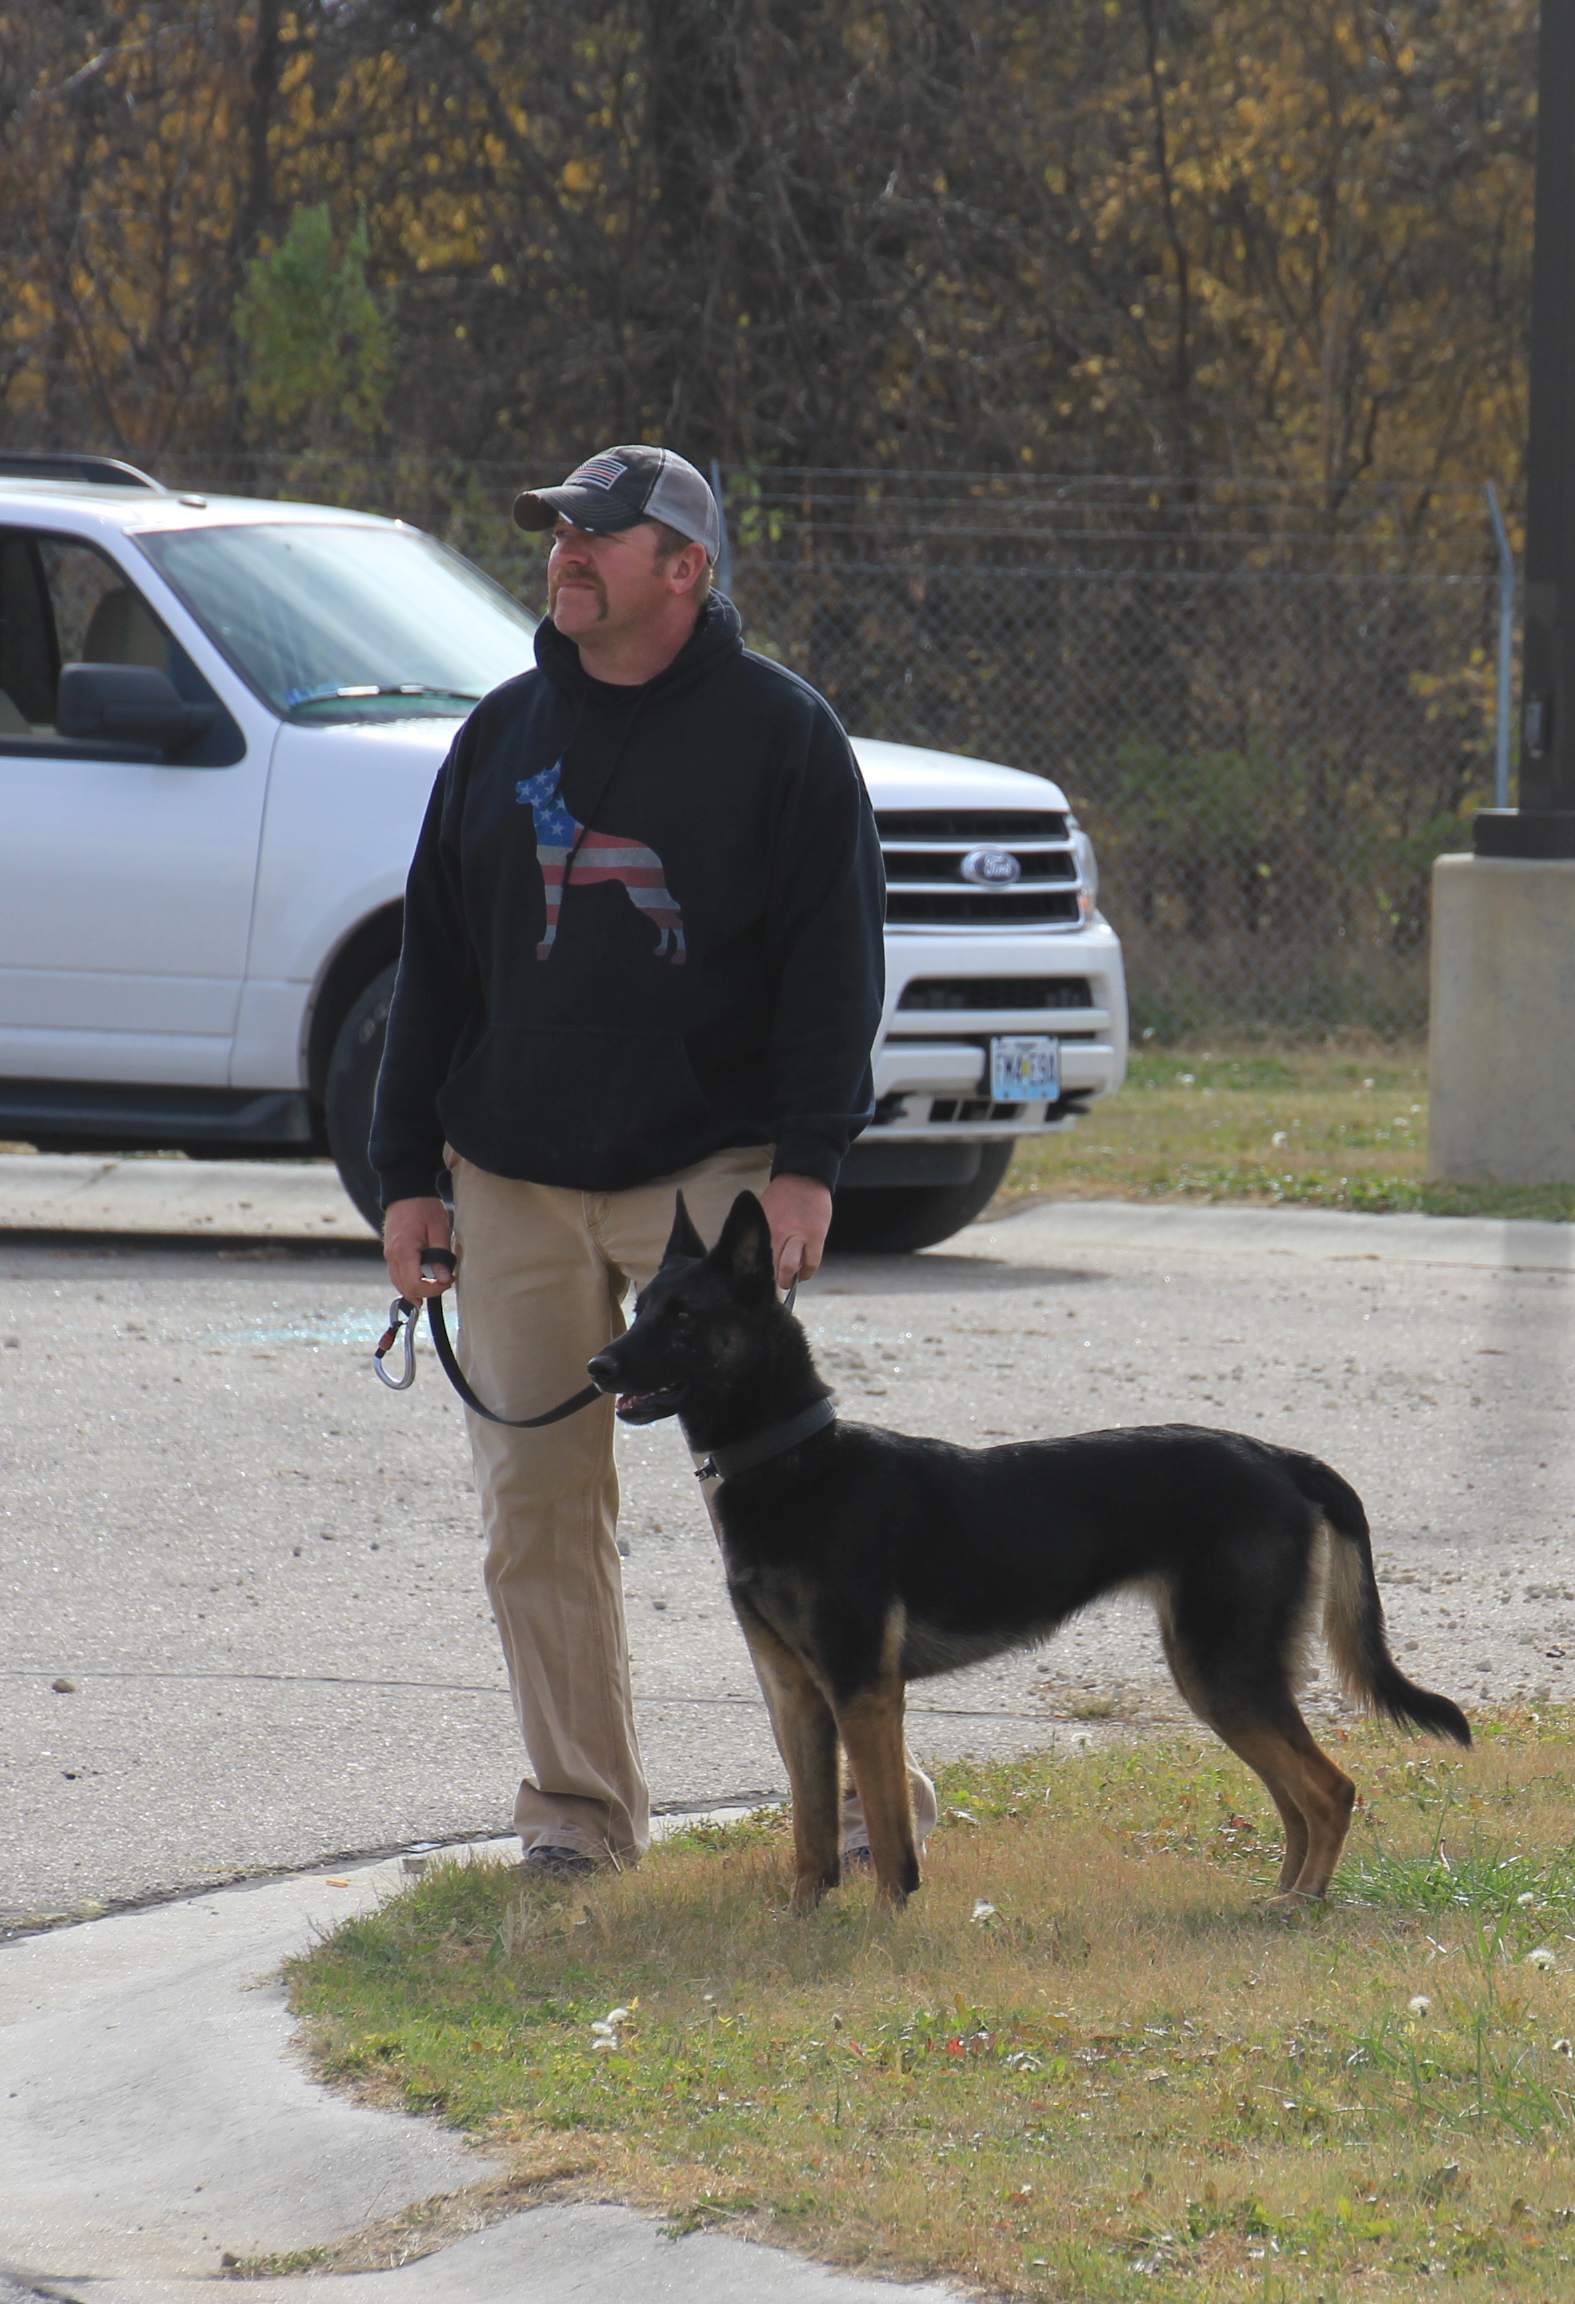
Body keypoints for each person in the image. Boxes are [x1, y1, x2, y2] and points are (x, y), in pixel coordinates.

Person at [369, 443, 928, 1879]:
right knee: (534, 1513)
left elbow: (836, 966)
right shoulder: (500, 736)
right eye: (557, 530)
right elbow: (436, 969)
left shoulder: (782, 735)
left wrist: (808, 1159)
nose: (565, 552)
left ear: (685, 567)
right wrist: (407, 1177)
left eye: (598, 535)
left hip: (708, 1175)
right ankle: (578, 1820)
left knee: (784, 1505)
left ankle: (865, 1810)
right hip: (510, 1177)